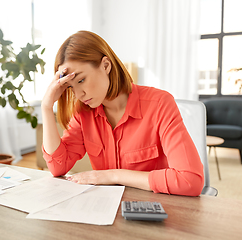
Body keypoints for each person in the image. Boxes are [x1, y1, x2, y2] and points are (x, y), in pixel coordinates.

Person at [41, 30, 204, 196]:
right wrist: (46, 107)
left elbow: (190, 181)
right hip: (105, 208)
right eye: (70, 87)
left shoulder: (160, 104)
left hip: (152, 209)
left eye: (81, 80)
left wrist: (113, 175)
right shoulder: (83, 113)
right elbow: (57, 167)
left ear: (106, 65)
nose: (78, 95)